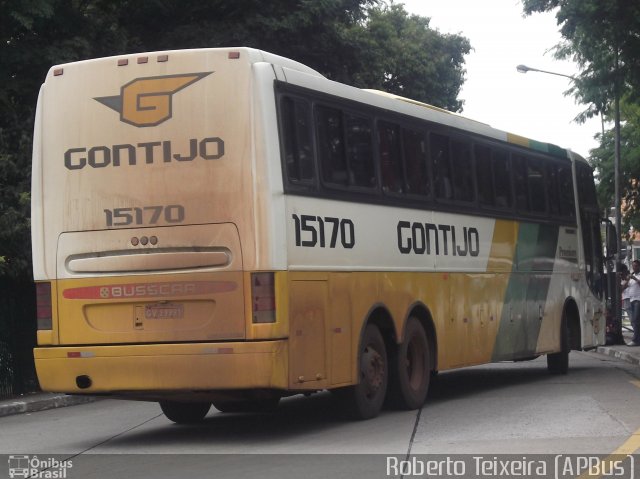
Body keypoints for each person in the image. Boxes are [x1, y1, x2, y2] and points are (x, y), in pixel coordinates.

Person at [621, 259, 640, 346]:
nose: (634, 268)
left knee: (635, 320)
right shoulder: (631, 277)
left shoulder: (638, 276)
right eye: (633, 266)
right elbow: (623, 288)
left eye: (636, 266)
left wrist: (635, 278)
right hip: (632, 300)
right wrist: (628, 279)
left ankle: (635, 340)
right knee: (634, 320)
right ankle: (637, 339)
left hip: (638, 300)